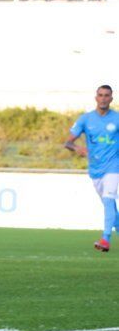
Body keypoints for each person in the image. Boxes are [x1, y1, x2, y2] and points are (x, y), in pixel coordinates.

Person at [64, 84, 119, 252]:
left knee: (109, 200)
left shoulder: (117, 118)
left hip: (114, 167)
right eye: (100, 95)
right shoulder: (85, 119)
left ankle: (105, 239)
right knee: (110, 208)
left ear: (111, 98)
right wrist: (77, 148)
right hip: (95, 170)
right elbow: (67, 142)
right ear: (96, 98)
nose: (103, 98)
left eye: (106, 95)